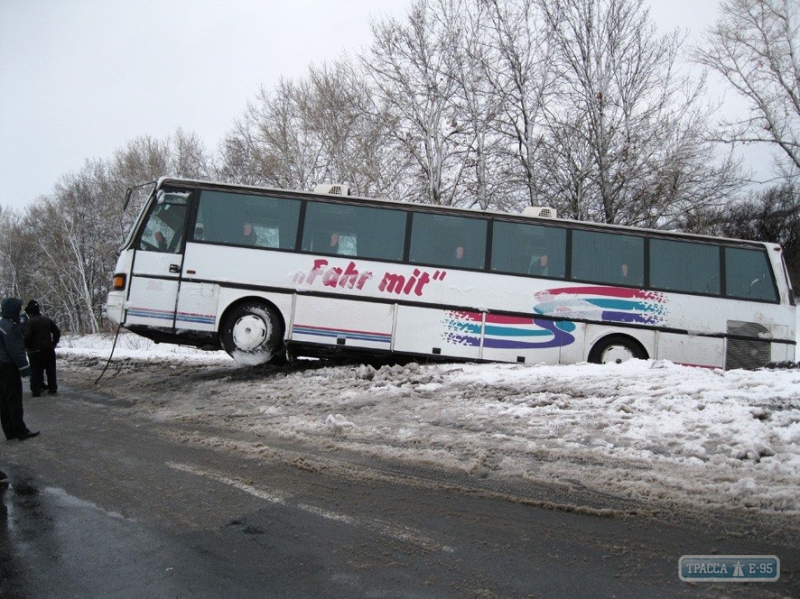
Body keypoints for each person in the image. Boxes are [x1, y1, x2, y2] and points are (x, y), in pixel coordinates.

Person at [0, 298, 38, 441]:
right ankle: (21, 431)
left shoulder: (1, 324)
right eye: (18, 308)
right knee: (14, 399)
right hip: (9, 367)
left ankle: (9, 431)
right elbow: (16, 351)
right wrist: (25, 370)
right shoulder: (11, 327)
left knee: (4, 400)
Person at [24, 300, 60, 397]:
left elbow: (27, 337)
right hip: (49, 349)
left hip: (35, 352)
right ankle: (53, 389)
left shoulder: (30, 322)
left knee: (36, 372)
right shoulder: (47, 320)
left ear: (30, 313)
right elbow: (57, 331)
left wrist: (26, 346)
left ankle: (36, 391)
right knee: (51, 371)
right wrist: (54, 343)